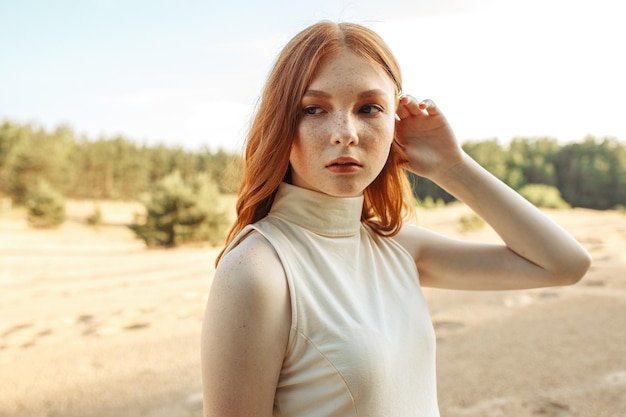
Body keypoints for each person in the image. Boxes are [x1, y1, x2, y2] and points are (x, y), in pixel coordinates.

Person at [200, 21, 591, 417]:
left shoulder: (398, 247)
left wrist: (452, 167)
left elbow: (564, 264)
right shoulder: (257, 272)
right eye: (313, 108)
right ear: (281, 121)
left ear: (394, 124)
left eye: (368, 108)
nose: (345, 133)